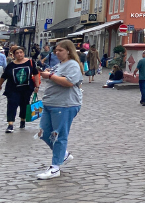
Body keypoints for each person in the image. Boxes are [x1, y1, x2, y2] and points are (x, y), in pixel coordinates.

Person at [36, 40, 83, 180]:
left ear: (68, 51)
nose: (57, 53)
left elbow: (69, 82)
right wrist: (47, 73)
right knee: (44, 133)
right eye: (56, 50)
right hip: (50, 102)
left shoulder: (73, 65)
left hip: (65, 104)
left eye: (60, 50)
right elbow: (55, 76)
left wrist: (50, 76)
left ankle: (55, 167)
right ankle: (63, 155)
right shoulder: (59, 64)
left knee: (59, 136)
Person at [1, 45, 40, 133]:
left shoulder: (30, 62)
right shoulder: (11, 65)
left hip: (26, 89)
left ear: (23, 53)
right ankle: (10, 125)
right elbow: (4, 76)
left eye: (21, 52)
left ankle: (22, 120)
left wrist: (37, 86)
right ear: (14, 55)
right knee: (12, 105)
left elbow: (36, 74)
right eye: (17, 53)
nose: (19, 54)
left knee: (24, 104)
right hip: (12, 89)